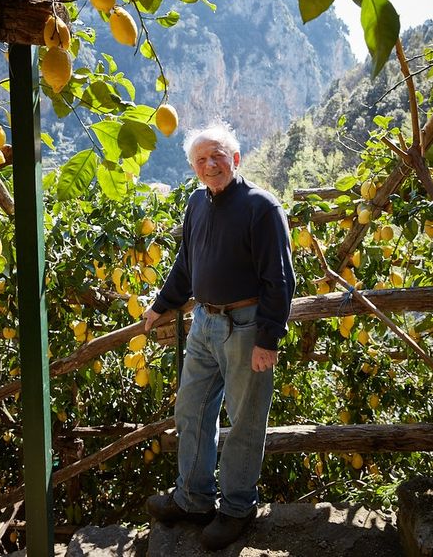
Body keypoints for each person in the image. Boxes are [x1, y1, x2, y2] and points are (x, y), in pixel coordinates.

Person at [143, 120, 295, 551]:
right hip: (204, 323)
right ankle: (193, 499)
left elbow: (280, 281)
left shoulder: (261, 207)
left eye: (218, 156)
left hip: (246, 328)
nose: (211, 165)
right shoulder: (196, 203)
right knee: (190, 411)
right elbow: (187, 265)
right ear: (193, 167)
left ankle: (237, 508)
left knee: (244, 422)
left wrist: (268, 340)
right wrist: (160, 304)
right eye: (201, 159)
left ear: (236, 159)